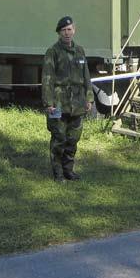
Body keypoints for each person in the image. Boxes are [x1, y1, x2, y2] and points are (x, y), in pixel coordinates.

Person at [42, 16, 94, 182]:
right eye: (63, 30)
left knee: (73, 139)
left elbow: (86, 77)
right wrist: (48, 103)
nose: (67, 33)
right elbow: (47, 79)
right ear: (59, 33)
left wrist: (89, 98)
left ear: (74, 30)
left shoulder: (80, 51)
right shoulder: (53, 52)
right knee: (59, 138)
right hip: (58, 103)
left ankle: (68, 170)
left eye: (69, 29)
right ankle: (57, 173)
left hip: (77, 103)